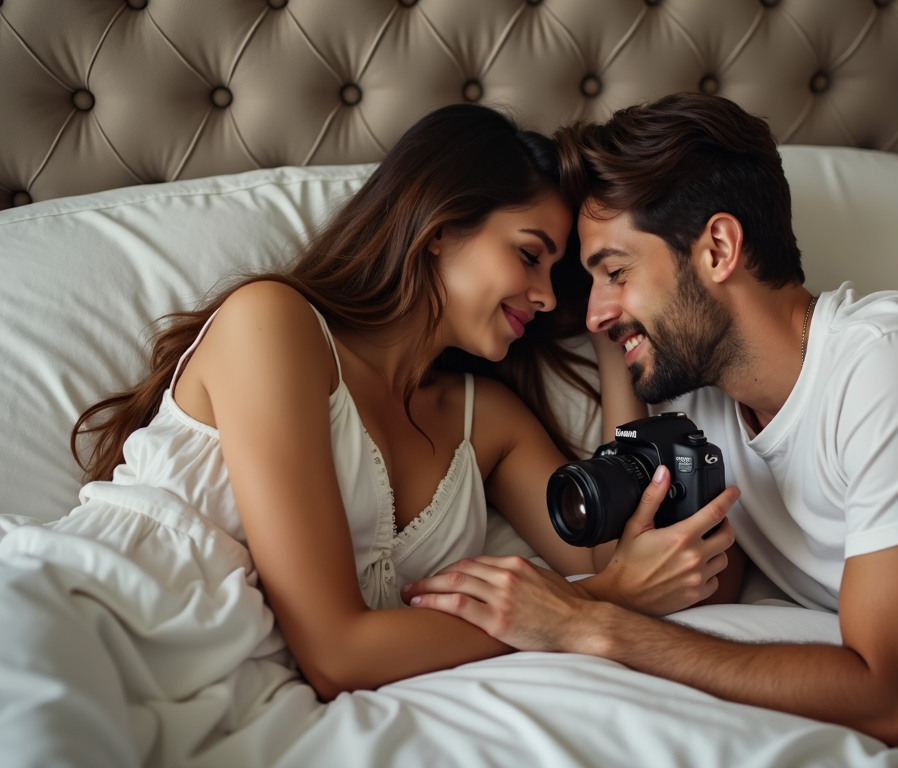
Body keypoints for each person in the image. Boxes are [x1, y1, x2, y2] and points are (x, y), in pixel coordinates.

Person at [402, 93, 898, 750]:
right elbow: (701, 585)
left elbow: (889, 703)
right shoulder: (699, 401)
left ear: (719, 248)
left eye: (617, 272)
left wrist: (591, 626)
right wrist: (617, 349)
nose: (595, 311)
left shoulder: (894, 369)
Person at [23, 103, 734, 703]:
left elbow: (622, 551)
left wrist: (608, 321)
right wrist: (600, 606)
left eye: (559, 274)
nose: (547, 296)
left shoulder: (485, 422)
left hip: (225, 698)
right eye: (529, 255)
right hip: (87, 623)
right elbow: (337, 652)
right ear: (439, 229)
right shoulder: (274, 327)